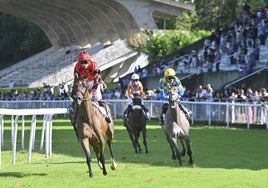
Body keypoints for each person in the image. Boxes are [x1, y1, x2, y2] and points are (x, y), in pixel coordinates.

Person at [69, 51, 111, 126]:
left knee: (98, 98)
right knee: (77, 98)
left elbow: (97, 81)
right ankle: (75, 117)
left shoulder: (93, 65)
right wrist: (74, 91)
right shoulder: (77, 66)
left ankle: (106, 114)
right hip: (83, 82)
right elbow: (76, 79)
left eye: (85, 62)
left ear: (89, 61)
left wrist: (92, 91)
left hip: (93, 81)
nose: (83, 64)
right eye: (81, 62)